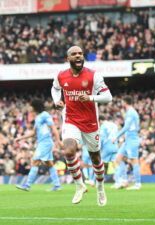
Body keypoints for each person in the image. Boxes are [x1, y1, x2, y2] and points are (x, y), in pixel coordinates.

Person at [51, 46, 112, 206]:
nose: (78, 56)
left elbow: (108, 97)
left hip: (91, 122)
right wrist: (57, 101)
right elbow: (55, 89)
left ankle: (100, 187)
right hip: (71, 120)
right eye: (74, 54)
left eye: (80, 53)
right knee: (68, 150)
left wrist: (91, 98)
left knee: (95, 158)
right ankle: (79, 185)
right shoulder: (61, 76)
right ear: (68, 59)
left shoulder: (93, 75)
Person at [15, 99, 63, 192]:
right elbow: (33, 133)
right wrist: (21, 138)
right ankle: (57, 185)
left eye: (31, 106)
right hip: (42, 143)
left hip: (46, 143)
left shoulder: (45, 115)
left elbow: (53, 128)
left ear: (35, 106)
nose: (29, 108)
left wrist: (58, 141)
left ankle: (27, 185)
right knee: (49, 164)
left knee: (35, 161)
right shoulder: (37, 117)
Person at [112, 96, 141, 190]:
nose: (121, 104)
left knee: (134, 161)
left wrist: (116, 136)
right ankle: (124, 180)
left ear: (125, 102)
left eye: (122, 102)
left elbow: (126, 127)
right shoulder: (129, 112)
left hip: (132, 139)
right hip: (128, 140)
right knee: (118, 158)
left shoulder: (131, 112)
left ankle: (137, 184)